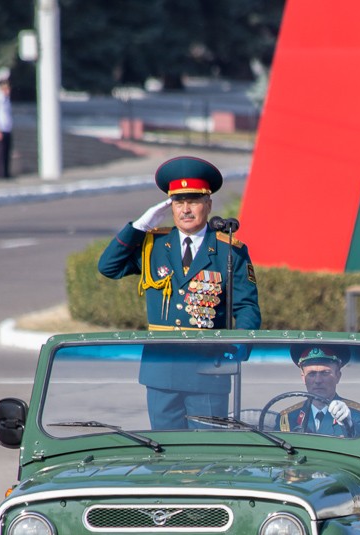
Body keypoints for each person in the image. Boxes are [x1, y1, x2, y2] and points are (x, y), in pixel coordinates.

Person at [97, 156, 261, 429]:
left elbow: (246, 307)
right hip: (161, 371)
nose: (186, 209)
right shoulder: (154, 245)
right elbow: (108, 267)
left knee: (208, 449)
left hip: (209, 370)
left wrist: (236, 350)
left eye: (193, 201)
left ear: (208, 204)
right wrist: (138, 227)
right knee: (166, 449)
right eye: (178, 202)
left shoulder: (229, 250)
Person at [277, 345, 360, 437]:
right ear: (303, 378)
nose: (318, 380)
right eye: (311, 374)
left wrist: (349, 425)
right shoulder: (288, 418)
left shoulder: (359, 415)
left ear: (338, 376)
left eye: (325, 373)